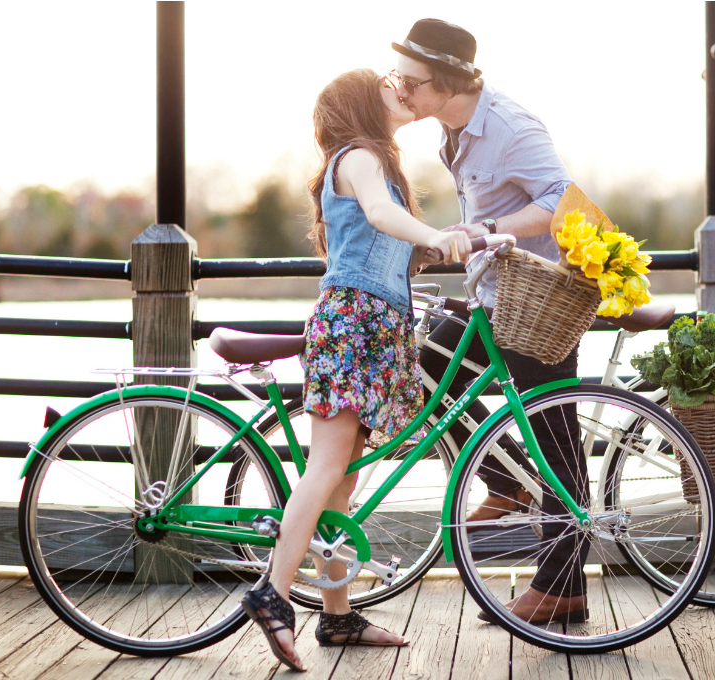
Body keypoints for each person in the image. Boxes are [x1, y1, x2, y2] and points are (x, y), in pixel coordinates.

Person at [241, 68, 472, 671]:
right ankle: (275, 591)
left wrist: (436, 243)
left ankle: (337, 617)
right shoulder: (361, 157)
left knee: (343, 480)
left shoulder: (379, 162)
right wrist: (435, 234)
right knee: (326, 467)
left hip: (375, 325)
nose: (400, 90)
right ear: (359, 105)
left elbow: (385, 236)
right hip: (354, 325)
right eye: (386, 85)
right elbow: (376, 214)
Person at [391, 18, 589, 624]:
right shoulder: (452, 134)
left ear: (447, 82)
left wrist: (487, 231)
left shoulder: (508, 126)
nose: (401, 90)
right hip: (492, 296)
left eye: (411, 81)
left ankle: (563, 587)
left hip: (537, 300)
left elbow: (561, 198)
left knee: (554, 435)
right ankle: (505, 480)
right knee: (426, 367)